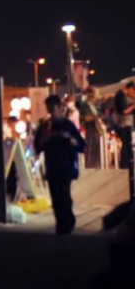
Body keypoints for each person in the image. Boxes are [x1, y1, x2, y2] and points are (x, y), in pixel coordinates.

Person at [37, 94, 87, 235]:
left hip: (66, 166)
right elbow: (38, 146)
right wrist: (47, 138)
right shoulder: (46, 126)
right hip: (52, 166)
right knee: (56, 198)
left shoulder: (67, 125)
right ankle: (61, 224)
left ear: (60, 108)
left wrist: (68, 138)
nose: (51, 113)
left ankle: (67, 224)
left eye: (53, 109)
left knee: (64, 196)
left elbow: (82, 146)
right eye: (49, 110)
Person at [113, 81, 134, 172]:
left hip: (125, 124)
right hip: (123, 125)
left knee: (127, 145)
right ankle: (125, 165)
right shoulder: (120, 95)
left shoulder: (122, 96)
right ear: (130, 88)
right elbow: (124, 111)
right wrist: (133, 106)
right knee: (126, 145)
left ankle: (128, 164)